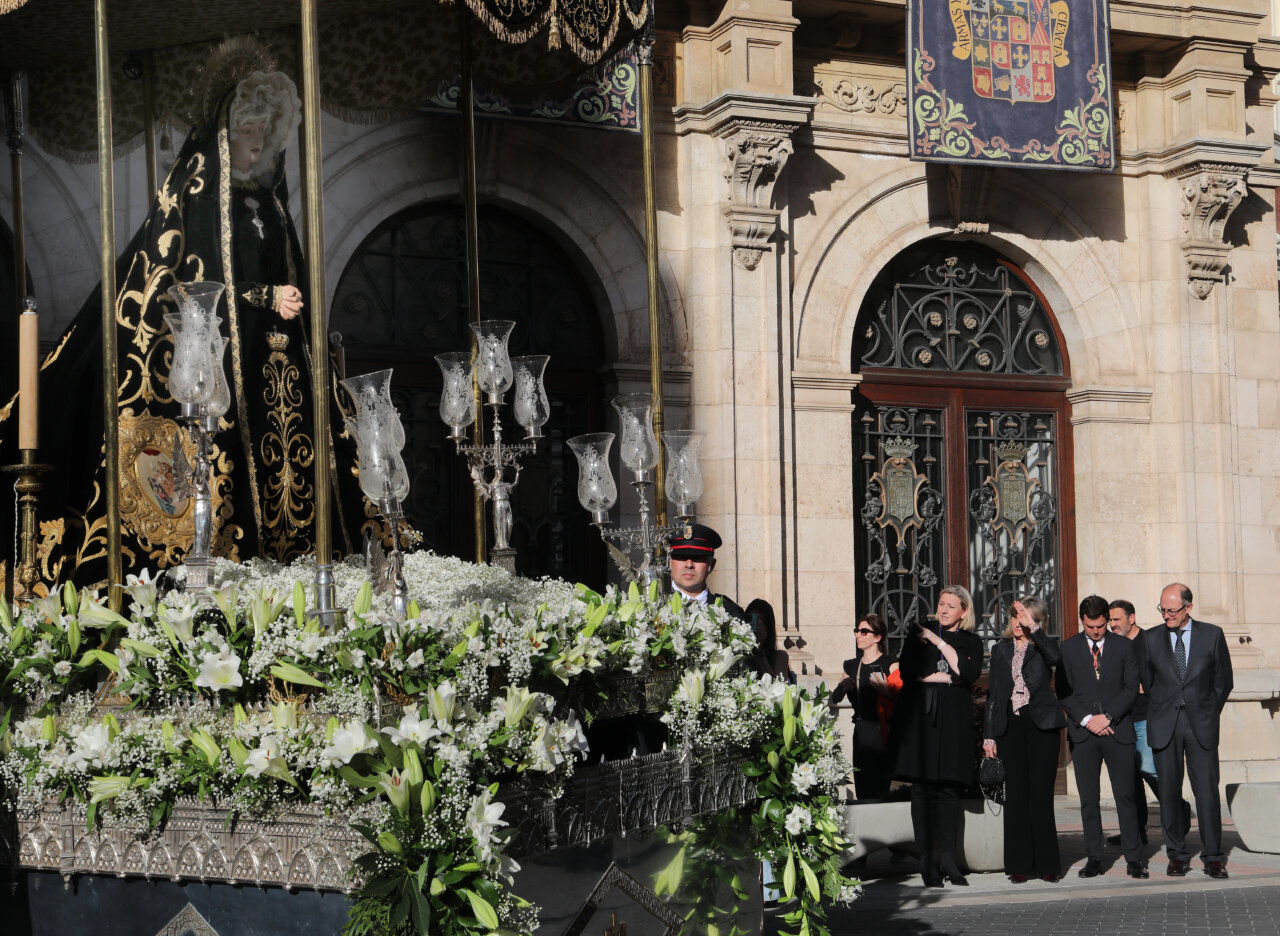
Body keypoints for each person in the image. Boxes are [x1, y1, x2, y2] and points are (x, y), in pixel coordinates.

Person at [0, 44, 365, 585]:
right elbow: (192, 284)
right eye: (248, 131)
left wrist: (288, 305)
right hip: (216, 368)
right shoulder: (196, 188)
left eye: (265, 131)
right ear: (226, 130)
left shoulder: (272, 204)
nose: (257, 143)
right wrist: (266, 298)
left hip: (276, 372)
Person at [889, 585, 983, 887]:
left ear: (964, 611)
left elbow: (968, 674)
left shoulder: (971, 641)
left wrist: (939, 644)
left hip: (954, 720)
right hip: (922, 719)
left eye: (951, 606)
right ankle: (927, 859)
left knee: (948, 790)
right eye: (941, 604)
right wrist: (944, 675)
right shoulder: (919, 632)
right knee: (923, 790)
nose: (943, 610)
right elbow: (909, 670)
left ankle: (948, 858)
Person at [1141, 583, 1234, 879]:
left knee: (1206, 793)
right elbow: (1147, 680)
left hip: (1201, 724)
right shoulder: (1151, 638)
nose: (1166, 615)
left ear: (1188, 608)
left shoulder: (1212, 634)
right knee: (1168, 793)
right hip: (1165, 724)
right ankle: (1177, 856)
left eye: (1172, 610)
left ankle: (1213, 857)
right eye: (1163, 609)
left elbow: (1223, 681)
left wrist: (1207, 710)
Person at [1057, 594, 1146, 879]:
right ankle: (1094, 858)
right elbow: (1064, 691)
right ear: (1081, 621)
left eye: (1100, 625)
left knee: (1126, 796)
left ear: (1107, 620)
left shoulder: (1124, 647)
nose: (1096, 631)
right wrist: (1087, 720)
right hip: (1084, 734)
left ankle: (1134, 858)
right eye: (1089, 626)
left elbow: (1131, 688)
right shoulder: (1068, 649)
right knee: (1089, 799)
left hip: (1117, 730)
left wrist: (1108, 717)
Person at [982, 597, 1066, 883]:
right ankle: (1019, 864)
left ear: (1037, 620)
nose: (1018, 623)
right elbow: (994, 694)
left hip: (1041, 725)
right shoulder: (1000, 649)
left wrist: (1035, 631)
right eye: (1015, 617)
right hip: (1011, 726)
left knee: (1041, 796)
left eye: (1025, 618)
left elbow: (1056, 659)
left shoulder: (1043, 647)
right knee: (1016, 796)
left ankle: (1047, 864)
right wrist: (989, 735)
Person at [1106, 599, 1189, 847]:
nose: (1112, 625)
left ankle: (1177, 810)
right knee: (1128, 777)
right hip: (1119, 720)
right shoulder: (1111, 645)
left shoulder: (1151, 640)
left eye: (1116, 619)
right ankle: (1135, 831)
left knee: (1149, 770)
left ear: (1131, 618)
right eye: (1110, 620)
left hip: (1145, 717)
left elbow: (1169, 675)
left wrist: (1145, 688)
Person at [830, 612, 899, 800]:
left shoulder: (890, 664)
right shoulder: (851, 666)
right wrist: (841, 687)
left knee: (881, 786)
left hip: (883, 730)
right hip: (861, 730)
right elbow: (834, 699)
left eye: (864, 631)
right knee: (862, 785)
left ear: (877, 637)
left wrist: (886, 690)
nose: (858, 635)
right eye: (857, 631)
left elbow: (903, 700)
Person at [666, 523, 746, 620]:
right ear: (669, 562)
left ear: (711, 565)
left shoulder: (730, 613)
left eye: (697, 558)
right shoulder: (653, 607)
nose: (689, 564)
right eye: (681, 557)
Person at [746, 598, 794, 682]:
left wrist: (758, 648)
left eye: (760, 622)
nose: (754, 626)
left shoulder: (779, 656)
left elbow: (775, 687)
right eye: (751, 619)